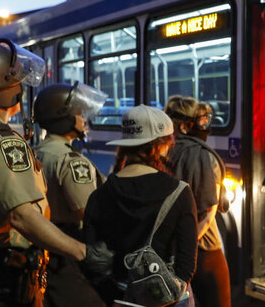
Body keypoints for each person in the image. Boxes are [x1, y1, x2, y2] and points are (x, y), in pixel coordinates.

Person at [0, 40, 110, 306]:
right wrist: (83, 252)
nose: (21, 87)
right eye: (16, 79)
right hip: (2, 276)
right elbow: (22, 215)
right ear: (1, 86)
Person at [83, 105, 198, 306]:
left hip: (119, 295)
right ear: (160, 145)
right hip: (167, 297)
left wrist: (114, 297)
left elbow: (93, 259)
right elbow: (186, 264)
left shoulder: (100, 194)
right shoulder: (180, 193)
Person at [33, 82, 108, 307]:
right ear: (62, 117)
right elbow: (87, 211)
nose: (83, 119)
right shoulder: (71, 160)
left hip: (43, 245)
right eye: (78, 114)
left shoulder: (37, 151)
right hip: (68, 252)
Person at [165, 96, 231, 307]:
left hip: (168, 247)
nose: (206, 127)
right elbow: (209, 209)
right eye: (201, 121)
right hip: (204, 248)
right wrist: (188, 243)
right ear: (185, 126)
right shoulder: (205, 156)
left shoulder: (160, 152)